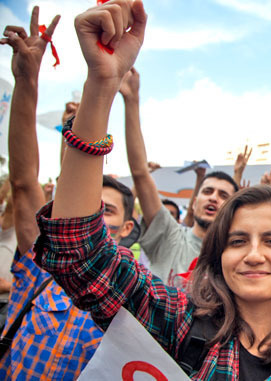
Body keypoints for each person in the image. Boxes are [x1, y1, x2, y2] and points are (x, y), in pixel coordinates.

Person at [32, 2, 271, 379]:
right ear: (217, 254)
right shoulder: (178, 323)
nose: (254, 255)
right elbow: (79, 252)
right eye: (238, 241)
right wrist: (101, 84)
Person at [0, 7, 104, 379]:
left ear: (126, 232)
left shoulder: (126, 309)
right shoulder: (41, 264)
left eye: (103, 211)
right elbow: (25, 182)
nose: (85, 216)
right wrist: (27, 81)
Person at [119, 67, 238, 284]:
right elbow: (140, 174)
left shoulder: (238, 257)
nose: (213, 198)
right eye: (208, 191)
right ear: (194, 203)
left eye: (223, 195)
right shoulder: (168, 237)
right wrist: (131, 101)